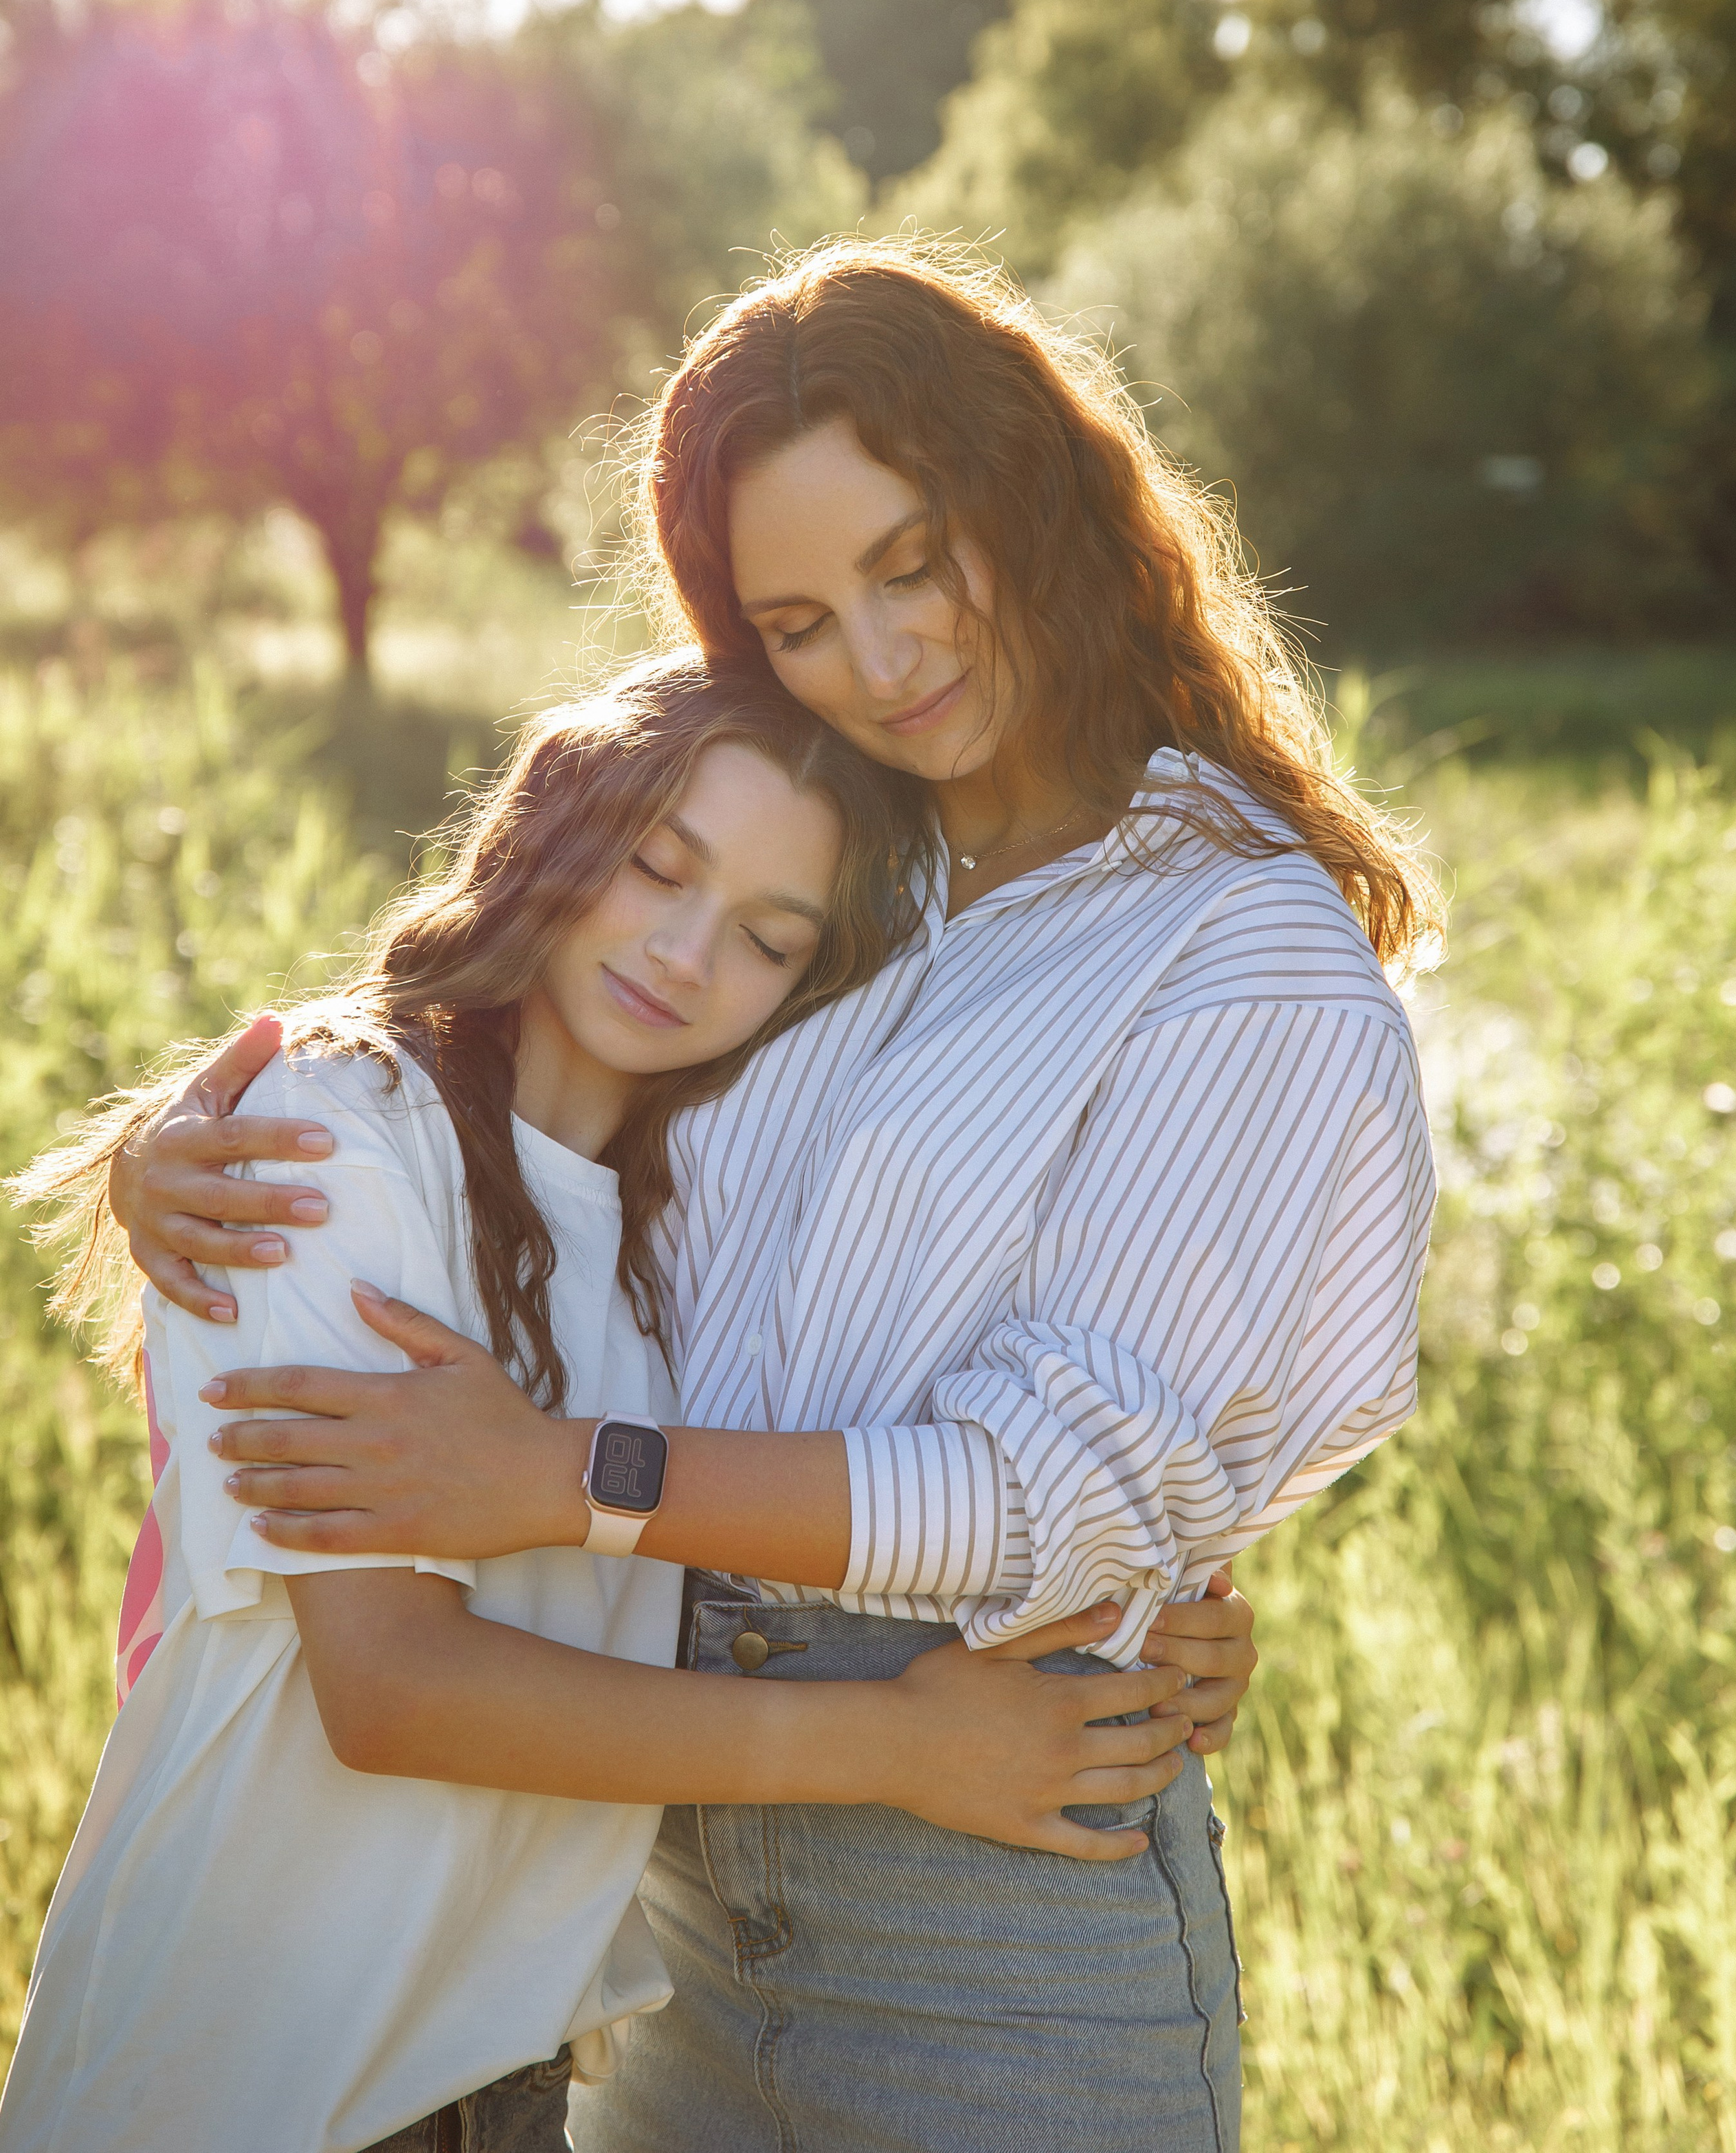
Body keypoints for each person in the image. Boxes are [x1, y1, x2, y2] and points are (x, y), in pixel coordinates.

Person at [112, 236, 1436, 2153]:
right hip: (647, 1884)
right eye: (799, 619)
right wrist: (195, 1141)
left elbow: (1051, 1490)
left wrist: (576, 1476)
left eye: (917, 563)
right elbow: (525, 1022)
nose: (881, 662)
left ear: (1034, 496)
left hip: (981, 1883)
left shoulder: (1236, 944)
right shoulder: (830, 860)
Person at [2, 654, 1201, 2153]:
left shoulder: (683, 1242)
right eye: (655, 868)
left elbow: (846, 1484)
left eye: (767, 941)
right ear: (552, 829)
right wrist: (898, 1747)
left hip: (500, 2085)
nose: (685, 955)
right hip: (246, 2080)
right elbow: (391, 1688)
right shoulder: (337, 1134)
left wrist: (1153, 1594)